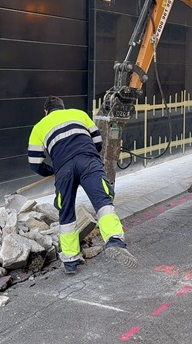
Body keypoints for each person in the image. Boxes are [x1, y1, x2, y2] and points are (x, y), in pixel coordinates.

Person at [27, 96, 137, 274]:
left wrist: (51, 170)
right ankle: (114, 239)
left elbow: (34, 162)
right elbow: (98, 142)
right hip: (88, 160)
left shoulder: (39, 126)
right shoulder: (79, 114)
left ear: (45, 111)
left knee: (66, 211)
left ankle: (70, 260)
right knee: (103, 201)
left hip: (64, 169)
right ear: (63, 108)